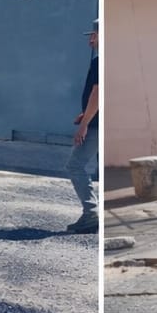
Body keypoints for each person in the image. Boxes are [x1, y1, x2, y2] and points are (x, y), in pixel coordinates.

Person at [63, 18, 99, 234]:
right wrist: (86, 113)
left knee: (75, 165)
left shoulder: (100, 62)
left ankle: (91, 213)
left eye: (94, 35)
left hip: (96, 125)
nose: (90, 41)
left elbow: (98, 93)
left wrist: (85, 124)